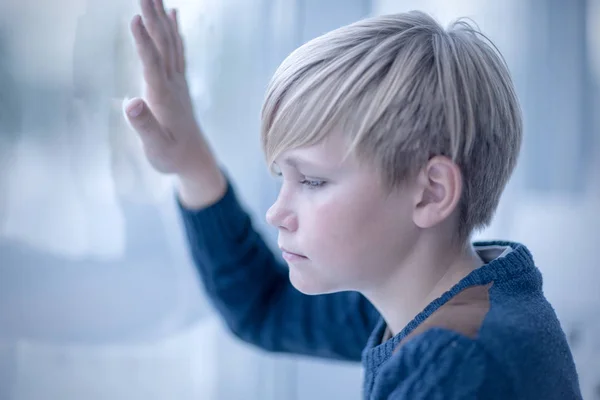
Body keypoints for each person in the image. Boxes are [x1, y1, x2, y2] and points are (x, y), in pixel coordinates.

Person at [124, 0, 582, 398]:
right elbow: (265, 307)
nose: (277, 212)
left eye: (313, 182)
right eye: (282, 176)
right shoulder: (446, 296)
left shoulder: (458, 366)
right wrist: (191, 163)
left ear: (431, 192)